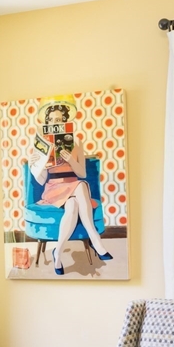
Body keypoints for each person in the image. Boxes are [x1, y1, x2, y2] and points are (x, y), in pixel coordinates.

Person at [29, 102, 112, 275]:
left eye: (59, 119)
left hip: (74, 184)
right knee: (80, 188)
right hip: (54, 188)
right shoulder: (41, 144)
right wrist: (38, 165)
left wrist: (70, 159)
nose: (55, 123)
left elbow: (81, 173)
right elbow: (41, 180)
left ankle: (57, 252)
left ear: (65, 121)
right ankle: (96, 240)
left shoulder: (76, 142)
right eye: (51, 120)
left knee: (76, 198)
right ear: (47, 123)